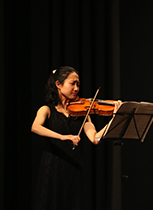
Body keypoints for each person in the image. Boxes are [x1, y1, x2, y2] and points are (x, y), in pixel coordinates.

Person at [31, 66, 121, 210]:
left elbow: (95, 139)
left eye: (78, 84)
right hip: (52, 168)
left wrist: (114, 119)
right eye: (72, 83)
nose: (76, 88)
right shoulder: (47, 110)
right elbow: (35, 127)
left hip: (73, 167)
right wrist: (61, 137)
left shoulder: (82, 112)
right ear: (58, 85)